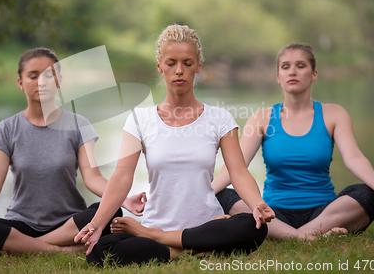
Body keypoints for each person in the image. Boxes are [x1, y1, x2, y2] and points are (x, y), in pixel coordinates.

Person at [74, 25, 275, 266]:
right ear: (160, 66)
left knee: (254, 227)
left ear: (198, 66)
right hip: (156, 224)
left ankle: (169, 242)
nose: (179, 71)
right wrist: (96, 224)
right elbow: (122, 176)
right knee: (100, 250)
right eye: (171, 63)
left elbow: (239, 172)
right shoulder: (140, 119)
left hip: (206, 225)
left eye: (187, 63)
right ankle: (189, 249)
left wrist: (257, 204)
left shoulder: (220, 119)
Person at [0, 48, 147, 254]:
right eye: (33, 75)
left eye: (49, 75)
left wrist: (124, 199)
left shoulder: (79, 124)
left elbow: (93, 178)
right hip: (23, 224)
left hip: (69, 222)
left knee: (110, 213)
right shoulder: (6, 129)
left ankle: (26, 247)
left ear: (59, 81)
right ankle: (60, 249)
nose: (41, 81)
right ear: (20, 82)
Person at [212, 43, 374, 241]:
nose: (293, 72)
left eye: (300, 65)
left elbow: (353, 157)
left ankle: (286, 236)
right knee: (224, 196)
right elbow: (236, 166)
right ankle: (311, 237)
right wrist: (208, 190)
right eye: (286, 67)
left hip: (324, 213)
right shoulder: (262, 118)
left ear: (314, 73)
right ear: (278, 77)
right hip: (273, 214)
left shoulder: (334, 114)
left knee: (367, 193)